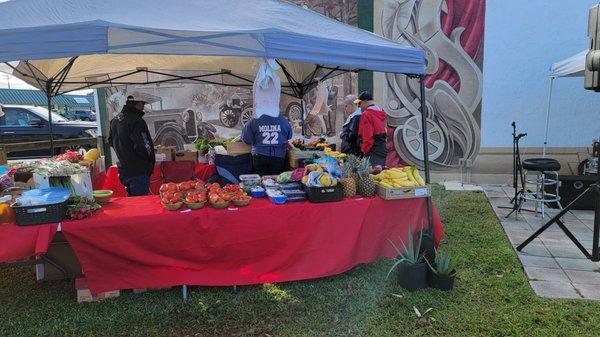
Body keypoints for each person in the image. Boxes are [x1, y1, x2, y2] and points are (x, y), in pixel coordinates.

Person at [108, 95, 155, 196]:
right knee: (140, 205)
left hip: (124, 169)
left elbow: (111, 141)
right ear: (137, 103)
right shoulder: (137, 121)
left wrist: (124, 153)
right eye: (143, 103)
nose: (143, 106)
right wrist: (148, 162)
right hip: (139, 170)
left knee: (132, 204)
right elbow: (144, 145)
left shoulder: (115, 120)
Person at [354, 91, 388, 166]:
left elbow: (367, 137)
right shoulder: (380, 113)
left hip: (372, 151)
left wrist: (364, 151)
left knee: (372, 175)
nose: (359, 106)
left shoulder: (366, 114)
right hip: (382, 149)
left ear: (365, 101)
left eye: (360, 103)